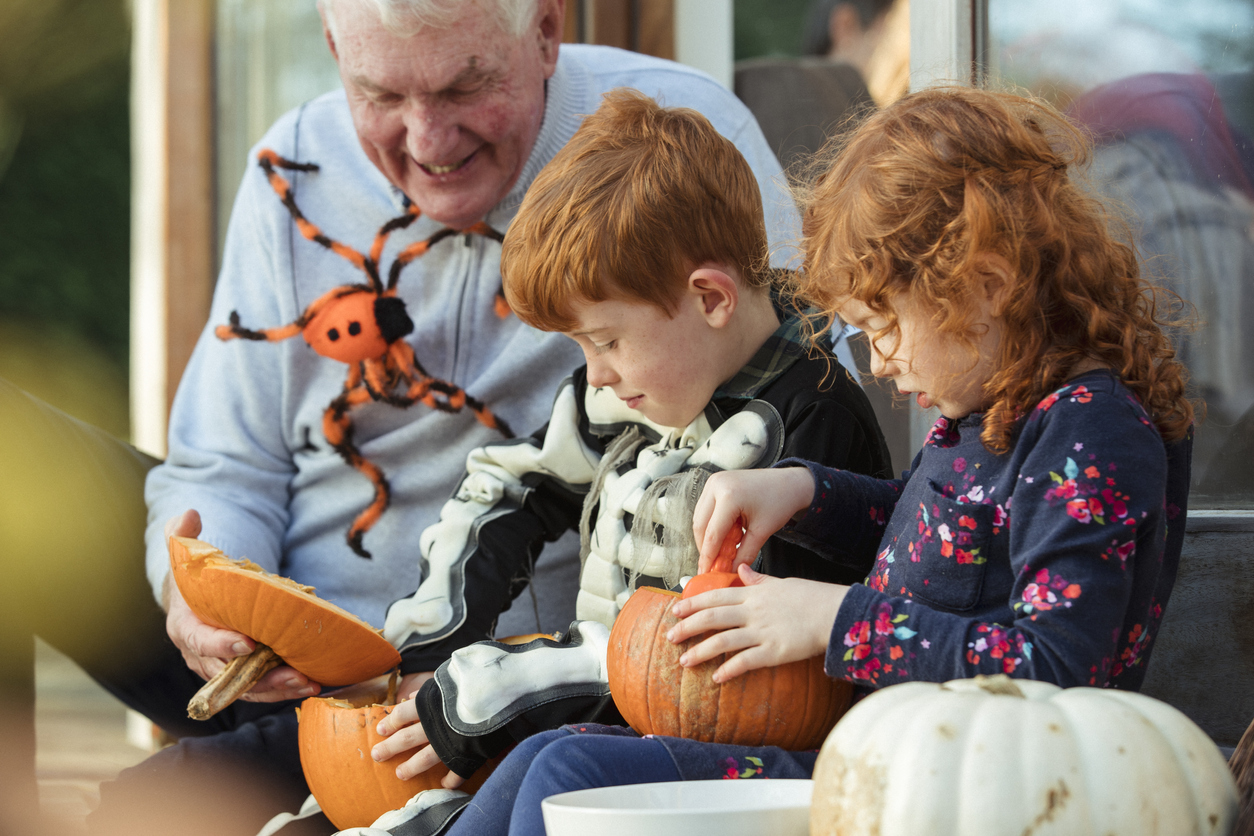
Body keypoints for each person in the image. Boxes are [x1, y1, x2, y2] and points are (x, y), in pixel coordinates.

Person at [360, 84, 1196, 836]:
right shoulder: (994, 415)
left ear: (982, 286)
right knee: (548, 759)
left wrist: (828, 618)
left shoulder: (1092, 434)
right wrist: (803, 491)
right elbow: (937, 540)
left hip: (959, 790)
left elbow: (1056, 668)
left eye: (886, 325)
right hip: (889, 760)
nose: (878, 360)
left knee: (575, 774)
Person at [91, 0, 804, 833]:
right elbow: (227, 462)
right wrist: (213, 598)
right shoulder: (294, 165)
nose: (428, 141)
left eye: (467, 86)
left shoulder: (675, 152)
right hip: (277, 657)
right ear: (333, 50)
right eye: (381, 96)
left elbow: (784, 389)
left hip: (493, 692)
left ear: (544, 33)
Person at [343, 87, 890, 834]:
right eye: (579, 347)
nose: (593, 373)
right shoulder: (640, 384)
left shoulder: (807, 423)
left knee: (555, 764)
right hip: (594, 712)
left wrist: (495, 693)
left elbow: (704, 662)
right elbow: (513, 484)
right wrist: (436, 643)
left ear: (710, 298)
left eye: (605, 340)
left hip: (742, 750)